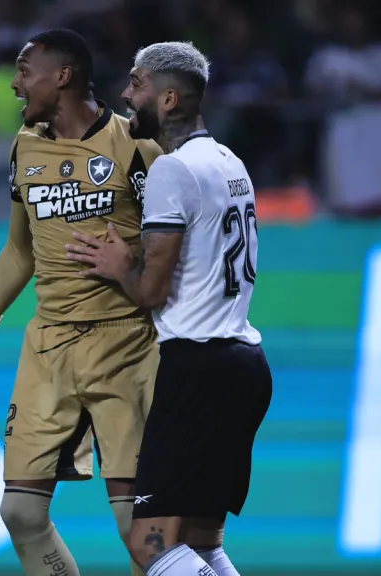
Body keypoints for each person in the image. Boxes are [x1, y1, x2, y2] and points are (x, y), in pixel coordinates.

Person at [0, 29, 163, 576]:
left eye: (23, 70)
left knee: (140, 530)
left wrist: (131, 269)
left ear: (64, 76)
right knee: (20, 511)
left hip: (125, 344)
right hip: (49, 348)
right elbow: (17, 250)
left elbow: (175, 253)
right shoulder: (24, 145)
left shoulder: (135, 146)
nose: (13, 83)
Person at [64, 41, 273, 576]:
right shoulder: (231, 163)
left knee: (150, 544)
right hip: (244, 363)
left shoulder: (173, 171)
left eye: (136, 85)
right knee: (201, 542)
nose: (125, 95)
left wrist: (118, 266)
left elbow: (150, 292)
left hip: (197, 367)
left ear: (170, 98)